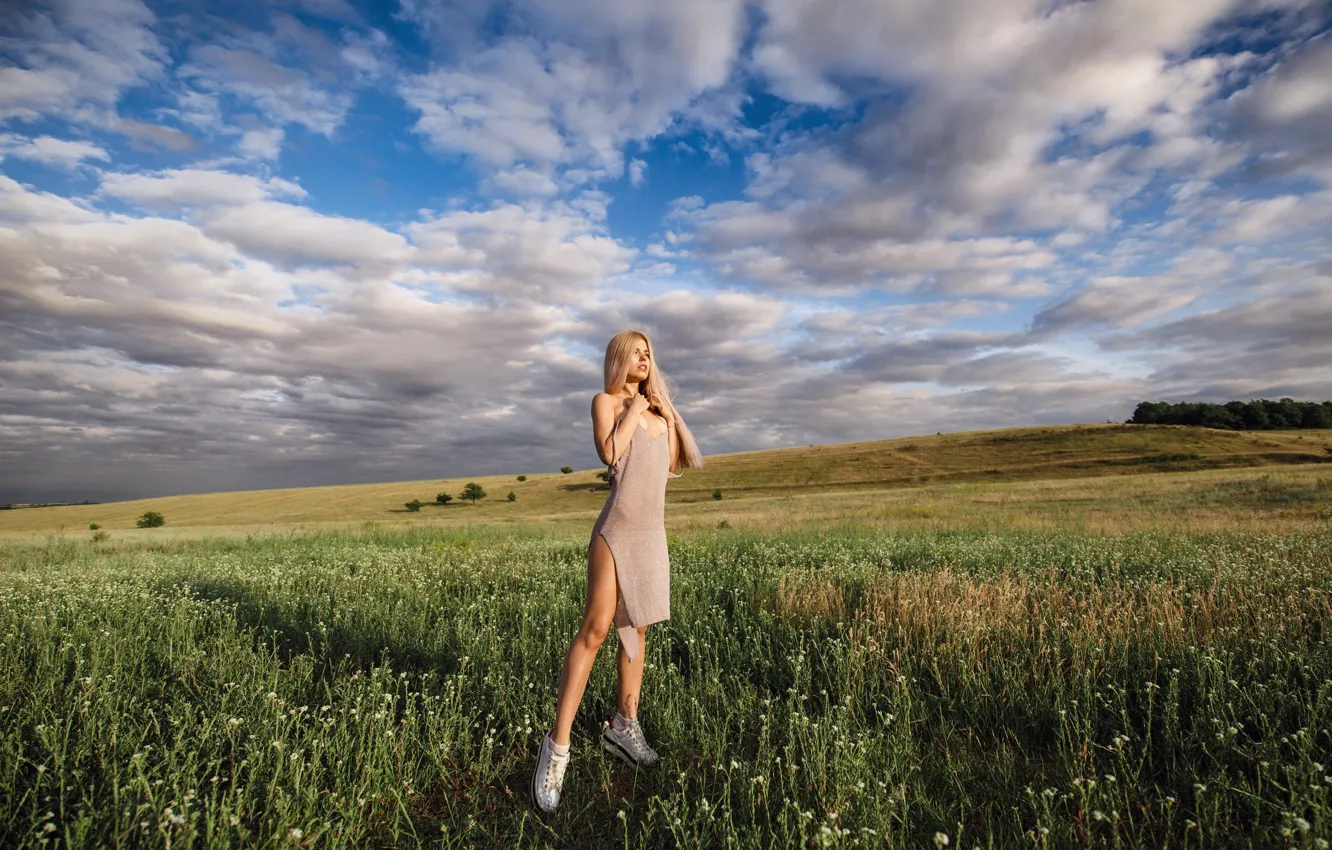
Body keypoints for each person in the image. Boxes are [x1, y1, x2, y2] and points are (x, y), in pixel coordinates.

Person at [531, 330, 705, 814]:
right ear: (619, 359)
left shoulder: (657, 410)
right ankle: (557, 746)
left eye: (650, 352)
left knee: (638, 629)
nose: (646, 358)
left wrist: (665, 413)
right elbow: (610, 454)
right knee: (597, 628)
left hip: (652, 533)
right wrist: (634, 410)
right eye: (638, 352)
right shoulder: (605, 401)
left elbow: (671, 466)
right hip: (617, 530)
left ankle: (623, 728)